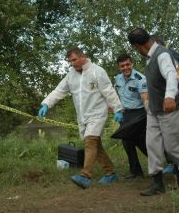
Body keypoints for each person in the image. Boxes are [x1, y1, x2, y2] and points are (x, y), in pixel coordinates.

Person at [38, 47, 124, 189]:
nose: (72, 63)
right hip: (82, 117)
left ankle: (85, 176)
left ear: (82, 57)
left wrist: (118, 109)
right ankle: (110, 173)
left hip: (97, 114)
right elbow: (59, 91)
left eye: (74, 59)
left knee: (90, 141)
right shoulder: (70, 75)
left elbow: (109, 91)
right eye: (70, 61)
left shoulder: (97, 71)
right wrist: (46, 104)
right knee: (96, 145)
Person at [128, 28, 179, 196]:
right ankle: (157, 183)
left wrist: (170, 96)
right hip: (154, 110)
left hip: (171, 109)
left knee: (173, 146)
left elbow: (171, 75)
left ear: (137, 46)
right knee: (152, 145)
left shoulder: (162, 54)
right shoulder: (150, 57)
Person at [114, 53, 148, 179]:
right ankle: (136, 172)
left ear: (132, 64)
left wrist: (149, 116)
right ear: (119, 67)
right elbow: (116, 95)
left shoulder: (140, 79)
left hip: (139, 114)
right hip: (125, 114)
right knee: (127, 142)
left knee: (142, 142)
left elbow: (145, 99)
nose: (125, 67)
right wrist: (117, 110)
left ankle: (166, 163)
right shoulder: (118, 79)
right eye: (122, 66)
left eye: (127, 64)